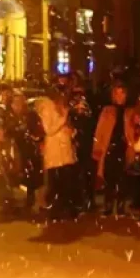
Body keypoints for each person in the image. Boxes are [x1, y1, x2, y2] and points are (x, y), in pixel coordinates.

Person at [93, 83, 140, 217]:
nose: (120, 96)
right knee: (109, 176)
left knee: (124, 177)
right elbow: (100, 131)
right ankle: (108, 204)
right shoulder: (107, 110)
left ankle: (121, 205)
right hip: (110, 146)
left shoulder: (130, 111)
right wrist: (97, 148)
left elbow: (137, 126)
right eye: (117, 93)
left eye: (122, 93)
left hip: (125, 147)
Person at [37, 88, 78, 221]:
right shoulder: (47, 108)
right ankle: (55, 210)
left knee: (67, 182)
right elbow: (49, 129)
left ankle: (66, 208)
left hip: (65, 152)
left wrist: (71, 131)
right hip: (55, 153)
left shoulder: (63, 109)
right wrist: (63, 119)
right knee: (55, 183)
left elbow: (68, 127)